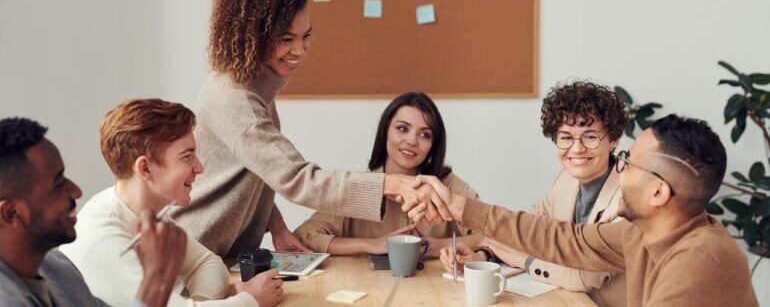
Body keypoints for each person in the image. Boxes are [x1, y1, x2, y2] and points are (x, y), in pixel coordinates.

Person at [172, 0, 449, 258]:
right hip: (194, 252)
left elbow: (259, 170)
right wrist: (389, 184)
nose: (300, 49)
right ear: (254, 36)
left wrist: (276, 225)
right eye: (286, 39)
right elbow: (297, 178)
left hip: (221, 255)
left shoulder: (253, 87)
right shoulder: (236, 99)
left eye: (306, 37)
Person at [420, 114, 760, 307]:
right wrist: (460, 208)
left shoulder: (700, 259)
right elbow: (566, 239)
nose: (619, 168)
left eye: (627, 162)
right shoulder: (642, 232)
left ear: (658, 192)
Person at [60, 99, 283, 307]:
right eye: (187, 157)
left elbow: (208, 264)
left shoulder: (146, 211)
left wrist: (199, 302)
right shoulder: (105, 242)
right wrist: (249, 300)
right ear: (145, 169)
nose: (199, 168)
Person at [440, 81, 628, 306]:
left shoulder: (628, 197)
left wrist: (525, 261)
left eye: (590, 137)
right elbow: (525, 233)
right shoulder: (564, 180)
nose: (577, 149)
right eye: (566, 137)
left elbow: (583, 276)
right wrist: (483, 256)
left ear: (614, 140)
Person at [0, 117, 186, 307]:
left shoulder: (56, 267)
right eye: (58, 183)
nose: (76, 191)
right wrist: (157, 280)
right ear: (11, 213)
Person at [294, 92, 479, 257]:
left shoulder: (449, 186)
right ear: (385, 132)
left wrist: (438, 246)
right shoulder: (359, 187)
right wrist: (372, 245)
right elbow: (305, 235)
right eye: (402, 129)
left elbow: (493, 236)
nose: (412, 141)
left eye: (424, 135)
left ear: (433, 145)